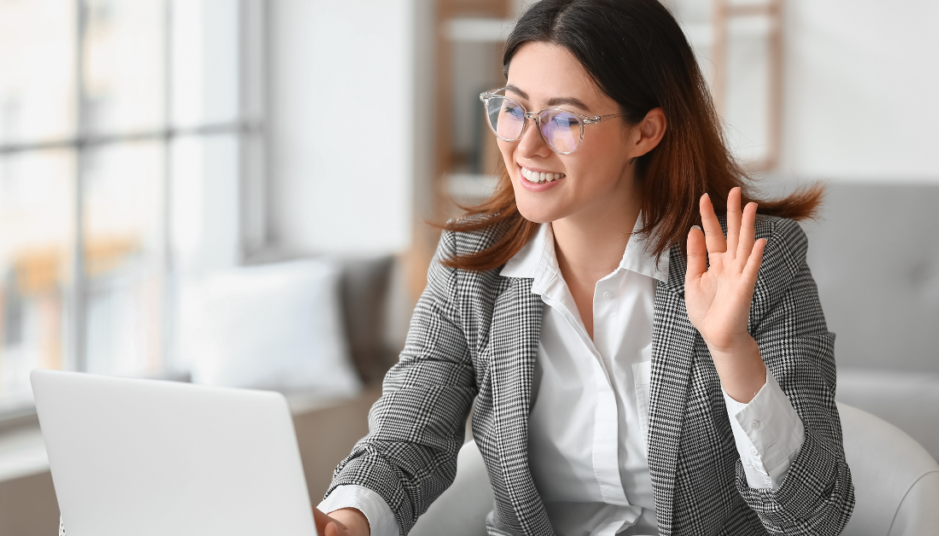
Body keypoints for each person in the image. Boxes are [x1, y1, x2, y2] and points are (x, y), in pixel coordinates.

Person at [315, 1, 854, 535]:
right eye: (514, 108)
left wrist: (733, 350)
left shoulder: (751, 259)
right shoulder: (471, 269)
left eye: (564, 120)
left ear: (644, 132)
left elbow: (817, 518)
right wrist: (347, 520)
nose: (526, 146)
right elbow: (407, 439)